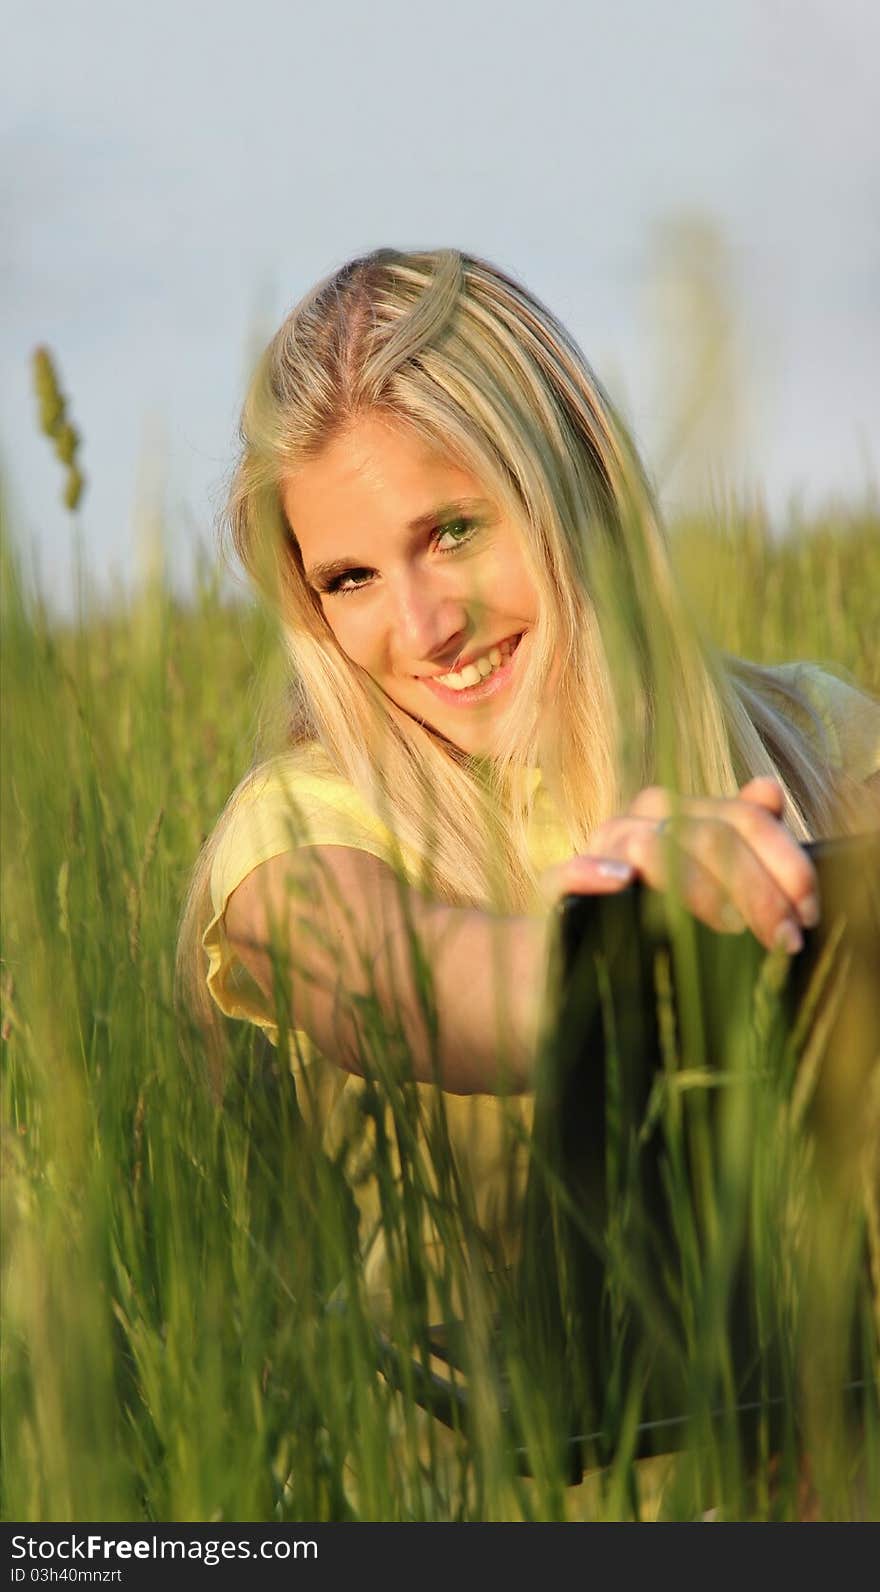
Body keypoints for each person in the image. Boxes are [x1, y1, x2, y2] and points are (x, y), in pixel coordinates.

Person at [175, 247, 880, 1514]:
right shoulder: (295, 832)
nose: (424, 623)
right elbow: (421, 988)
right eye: (349, 579)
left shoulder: (817, 741)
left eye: (451, 531)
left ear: (573, 484)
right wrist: (628, 955)